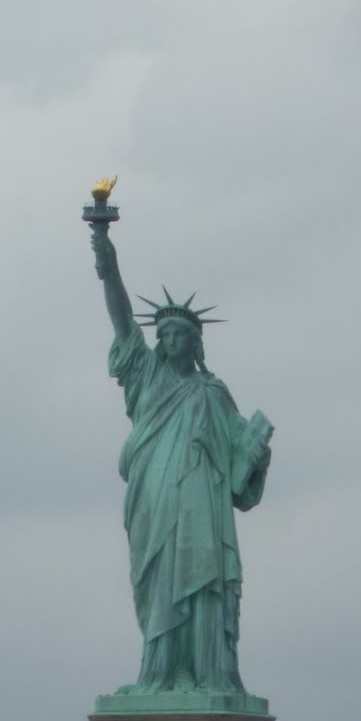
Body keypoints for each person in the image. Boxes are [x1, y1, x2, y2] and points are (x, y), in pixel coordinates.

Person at [90, 220, 272, 695]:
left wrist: (255, 448)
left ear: (195, 342)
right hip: (153, 495)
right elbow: (122, 318)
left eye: (178, 335)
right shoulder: (145, 375)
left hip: (200, 505)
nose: (169, 340)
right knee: (157, 579)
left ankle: (205, 671)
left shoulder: (213, 393)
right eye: (164, 334)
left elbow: (239, 463)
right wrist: (106, 260)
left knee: (201, 579)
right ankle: (160, 672)